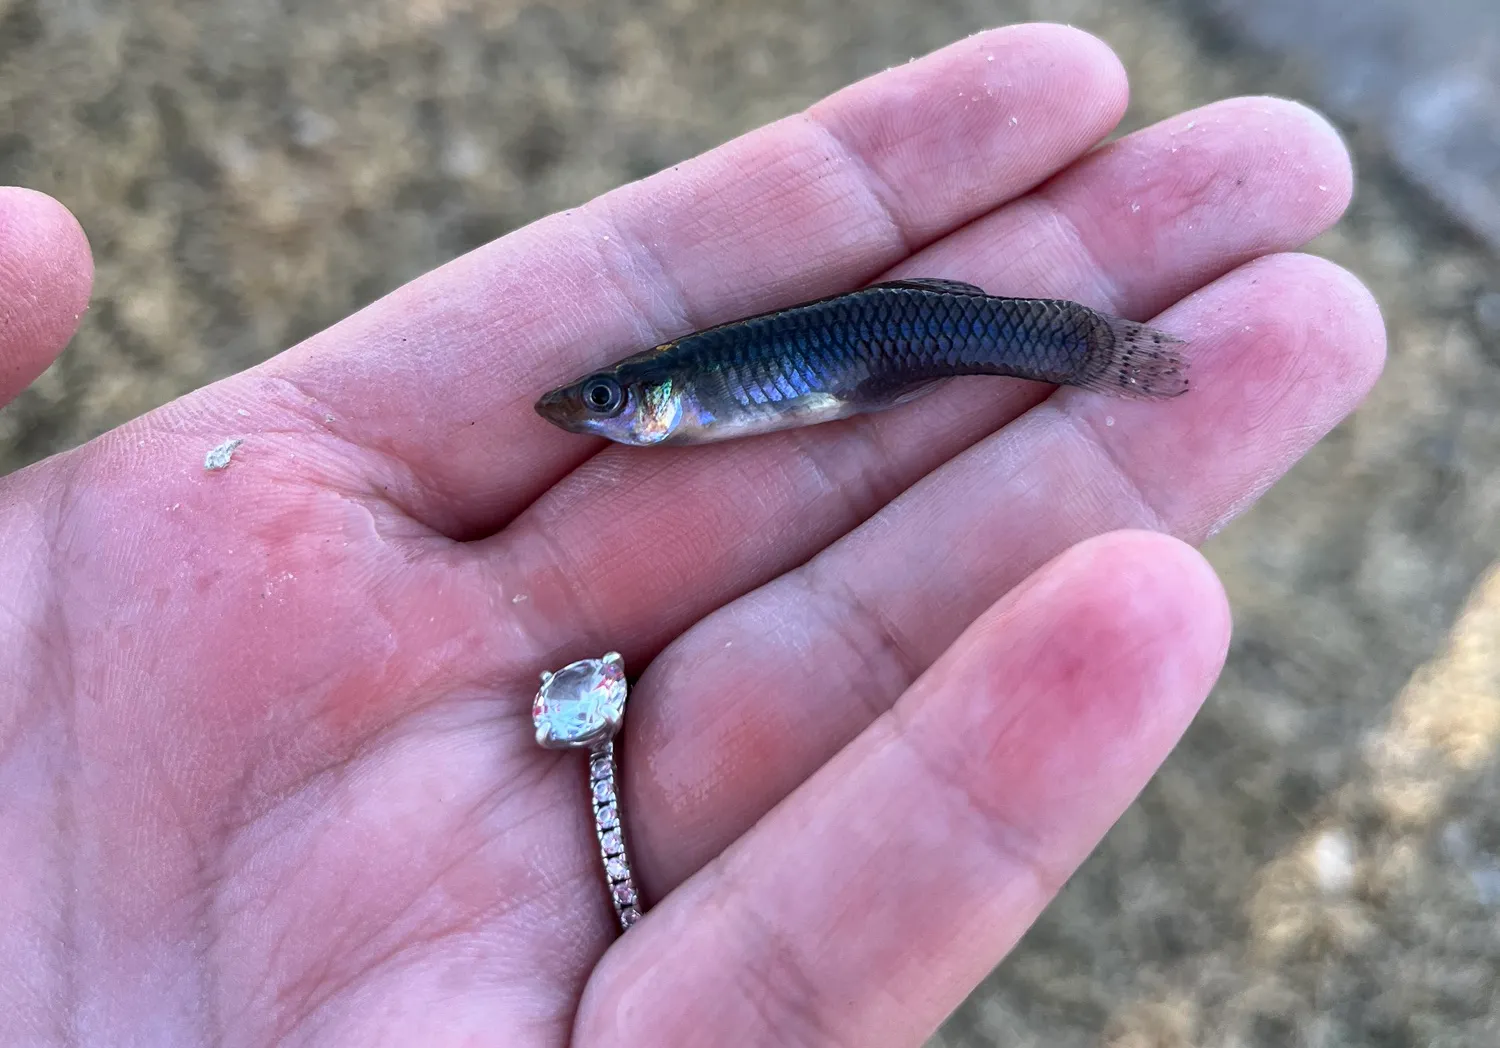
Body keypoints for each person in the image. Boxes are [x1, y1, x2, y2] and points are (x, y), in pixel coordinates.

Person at [0, 23, 1383, 1047]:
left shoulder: (713, 386)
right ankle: (1086, 353)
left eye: (607, 401)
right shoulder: (681, 402)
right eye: (602, 401)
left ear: (652, 391)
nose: (591, 415)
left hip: (864, 355)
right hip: (853, 362)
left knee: (1011, 350)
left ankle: (1092, 354)